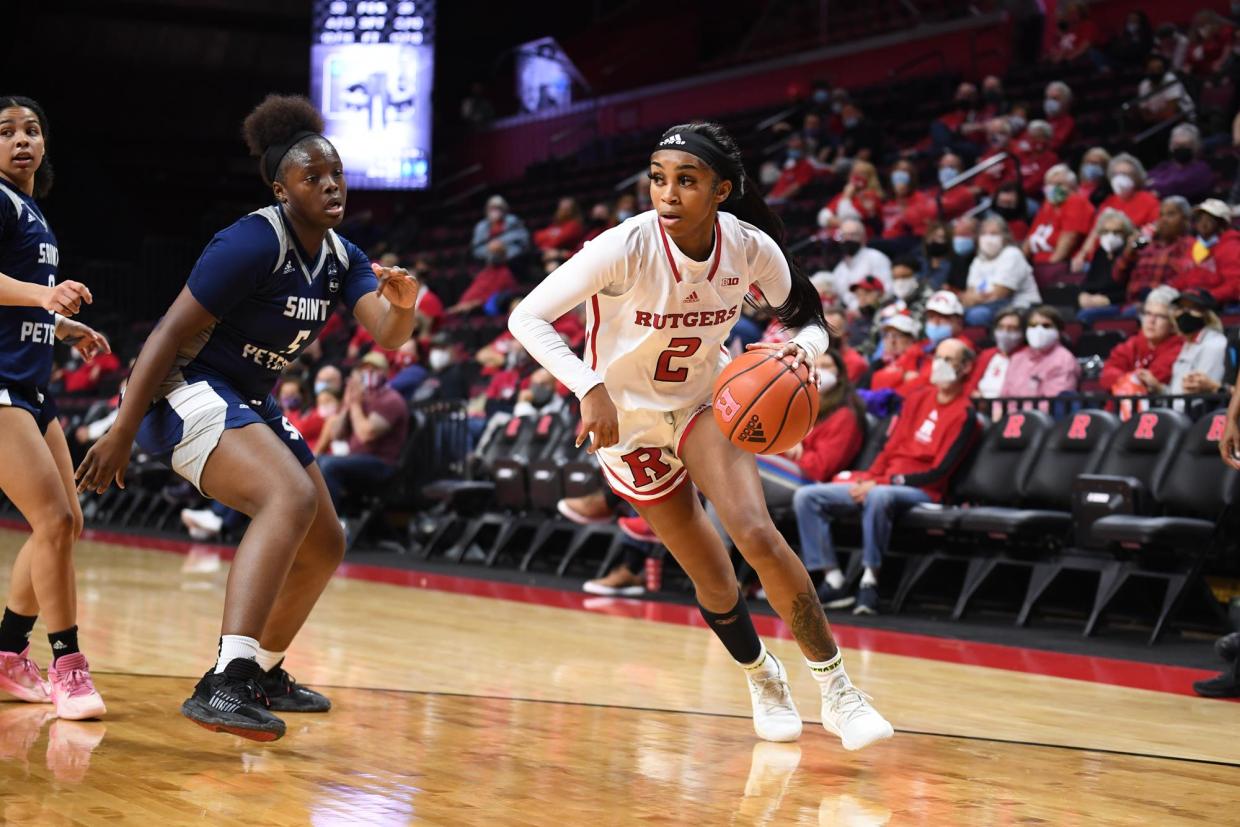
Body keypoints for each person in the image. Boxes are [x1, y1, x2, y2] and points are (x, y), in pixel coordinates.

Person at [508, 121, 893, 750]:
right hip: (626, 425)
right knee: (712, 578)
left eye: (686, 181)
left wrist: (800, 351)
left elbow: (810, 317)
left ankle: (839, 692)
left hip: (701, 403)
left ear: (722, 190)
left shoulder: (748, 247)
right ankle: (761, 676)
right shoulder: (623, 246)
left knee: (755, 532)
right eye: (659, 178)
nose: (668, 191)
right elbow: (527, 315)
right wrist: (588, 386)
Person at [74, 95, 420, 741]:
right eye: (312, 175)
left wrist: (405, 304)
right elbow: (166, 333)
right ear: (281, 188)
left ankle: (261, 670)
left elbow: (389, 334)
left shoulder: (343, 256)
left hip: (246, 397)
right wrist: (122, 427)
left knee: (326, 540)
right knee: (286, 497)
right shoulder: (251, 240)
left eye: (336, 172)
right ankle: (224, 681)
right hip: (182, 386)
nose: (330, 184)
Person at [0, 95, 111, 721]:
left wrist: (65, 329)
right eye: (7, 131)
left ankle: (8, 652)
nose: (22, 140)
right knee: (53, 522)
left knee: (65, 523)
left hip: (31, 389)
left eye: (33, 130)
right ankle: (68, 666)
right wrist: (46, 296)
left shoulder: (32, 210)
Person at [794, 338, 980, 614]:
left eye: (948, 360)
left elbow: (940, 472)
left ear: (965, 368)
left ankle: (870, 582)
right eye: (937, 358)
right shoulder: (918, 398)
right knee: (806, 496)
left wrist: (880, 483)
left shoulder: (966, 414)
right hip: (883, 481)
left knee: (879, 496)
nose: (939, 365)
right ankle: (834, 581)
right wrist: (870, 476)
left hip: (924, 490)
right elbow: (890, 447)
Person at [318, 352, 410, 512]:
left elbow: (367, 434)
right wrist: (346, 405)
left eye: (374, 369)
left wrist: (354, 405)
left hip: (381, 464)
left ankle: (329, 523)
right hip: (356, 459)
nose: (368, 373)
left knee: (329, 465)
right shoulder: (361, 399)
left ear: (386, 372)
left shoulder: (390, 399)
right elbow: (336, 434)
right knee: (314, 462)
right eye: (364, 369)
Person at [1074, 154, 1161, 271]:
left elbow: (1151, 234)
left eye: (1126, 174)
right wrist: (1082, 255)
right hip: (1099, 259)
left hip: (1129, 260)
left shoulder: (1150, 201)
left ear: (1136, 177)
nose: (1120, 178)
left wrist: (1132, 248)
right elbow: (1094, 234)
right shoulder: (1107, 202)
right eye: (1116, 174)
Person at [1099, 286, 1184, 394]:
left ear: (1173, 324)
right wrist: (1130, 381)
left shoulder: (1178, 349)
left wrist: (1124, 381)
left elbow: (1152, 382)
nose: (1151, 321)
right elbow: (1107, 373)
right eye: (1148, 313)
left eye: (1160, 316)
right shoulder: (1134, 342)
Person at [963, 215, 1040, 326]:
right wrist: (978, 296)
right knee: (956, 315)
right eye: (984, 234)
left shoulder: (1012, 254)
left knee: (977, 315)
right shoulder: (978, 260)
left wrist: (976, 297)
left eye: (994, 234)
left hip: (1021, 308)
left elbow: (999, 294)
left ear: (1005, 237)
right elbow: (968, 296)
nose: (988, 238)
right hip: (987, 306)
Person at [1171, 199, 1240, 305]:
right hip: (1192, 299)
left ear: (1222, 224)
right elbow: (1185, 277)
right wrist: (1170, 289)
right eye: (1199, 219)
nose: (1203, 224)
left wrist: (1208, 296)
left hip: (1219, 304)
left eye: (1209, 219)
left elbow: (1235, 285)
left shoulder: (1231, 247)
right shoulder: (1196, 246)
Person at [1001, 306, 1080, 397]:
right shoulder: (1017, 358)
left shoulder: (1064, 359)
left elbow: (1053, 403)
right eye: (1033, 325)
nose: (1038, 330)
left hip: (1040, 411)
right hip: (1008, 410)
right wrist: (998, 409)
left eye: (1046, 325)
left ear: (1059, 332)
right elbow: (1003, 395)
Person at [1161, 289, 1228, 396]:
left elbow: (1201, 397)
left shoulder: (1214, 345)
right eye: (1180, 308)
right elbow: (1177, 392)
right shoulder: (1188, 342)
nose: (1184, 313)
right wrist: (1159, 389)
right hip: (1179, 410)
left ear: (1208, 314)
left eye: (1193, 308)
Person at [1077, 209, 1137, 325]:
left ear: (1126, 234)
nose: (1110, 236)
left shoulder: (1130, 254)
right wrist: (1083, 295)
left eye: (1116, 232)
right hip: (1095, 302)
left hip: (1118, 303)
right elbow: (1089, 281)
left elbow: (1130, 289)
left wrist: (1108, 300)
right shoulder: (1100, 252)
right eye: (1106, 232)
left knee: (1085, 315)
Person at [828, 219, 892, 308]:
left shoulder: (876, 257)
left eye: (853, 235)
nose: (848, 239)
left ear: (863, 237)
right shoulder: (839, 269)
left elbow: (887, 289)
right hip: (851, 316)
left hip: (877, 309)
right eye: (844, 235)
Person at [1148, 125, 1213, 205]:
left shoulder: (1201, 169)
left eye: (1185, 146)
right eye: (1177, 145)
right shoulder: (1164, 167)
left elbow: (1177, 188)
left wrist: (1155, 186)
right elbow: (1145, 182)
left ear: (1195, 146)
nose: (1180, 149)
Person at [972, 310, 1026, 399]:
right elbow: (972, 385)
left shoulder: (1028, 357)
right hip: (981, 407)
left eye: (1012, 328)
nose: (1005, 332)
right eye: (1001, 327)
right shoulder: (986, 355)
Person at [1136, 53, 1196, 126]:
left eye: (1159, 69)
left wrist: (1152, 117)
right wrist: (1152, 118)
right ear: (1147, 71)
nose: (1156, 73)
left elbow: (1170, 112)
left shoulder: (1171, 80)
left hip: (1185, 120)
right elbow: (1144, 113)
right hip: (1157, 124)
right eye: (1152, 70)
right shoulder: (1144, 85)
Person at [470, 194, 531, 262]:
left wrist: (501, 246)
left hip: (513, 260)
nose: (495, 211)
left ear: (504, 209)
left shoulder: (513, 221)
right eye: (492, 208)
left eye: (498, 208)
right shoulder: (481, 226)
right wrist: (489, 248)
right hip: (488, 261)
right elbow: (476, 250)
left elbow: (523, 241)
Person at [1042, 81, 1076, 151]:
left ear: (1065, 101)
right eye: (1048, 98)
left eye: (1055, 98)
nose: (1050, 102)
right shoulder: (1046, 121)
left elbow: (1055, 145)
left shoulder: (1068, 122)